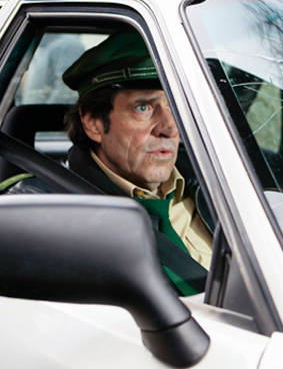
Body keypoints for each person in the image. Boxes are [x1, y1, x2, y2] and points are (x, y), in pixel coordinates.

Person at [5, 30, 214, 295]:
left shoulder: (217, 178)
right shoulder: (47, 212)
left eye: (175, 105)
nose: (170, 128)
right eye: (143, 108)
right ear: (93, 122)